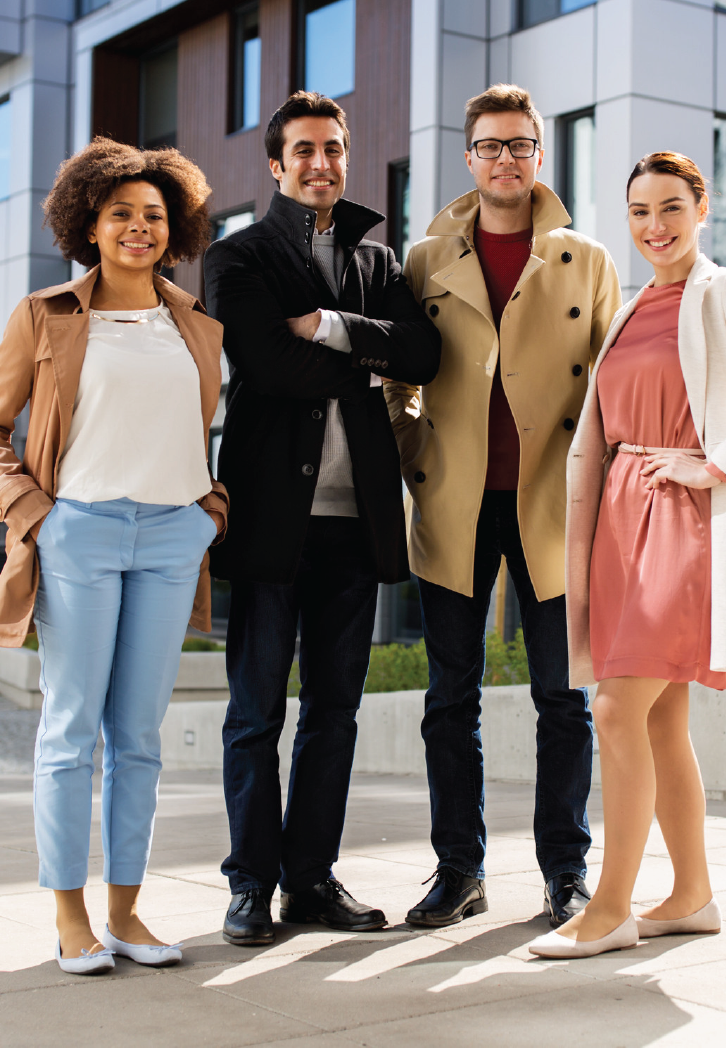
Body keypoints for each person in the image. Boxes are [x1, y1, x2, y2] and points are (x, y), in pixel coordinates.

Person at [204, 90, 441, 946]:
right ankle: (247, 886)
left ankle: (310, 882)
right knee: (255, 714)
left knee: (333, 715)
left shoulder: (383, 266)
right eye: (302, 150)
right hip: (272, 521)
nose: (321, 163)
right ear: (275, 165)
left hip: (355, 523)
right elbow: (269, 366)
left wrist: (333, 326)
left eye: (334, 149)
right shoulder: (238, 259)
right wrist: (368, 362)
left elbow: (426, 353)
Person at [529, 151, 726, 960]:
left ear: (700, 208)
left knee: (612, 708)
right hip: (620, 515)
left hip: (682, 514)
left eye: (670, 207)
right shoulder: (631, 306)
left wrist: (719, 463)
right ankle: (692, 894)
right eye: (638, 211)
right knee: (661, 716)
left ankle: (608, 908)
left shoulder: (725, 289)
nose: (654, 226)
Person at [385, 84, 621, 928]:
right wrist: (414, 452)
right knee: (451, 696)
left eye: (520, 145)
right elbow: (399, 376)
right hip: (452, 499)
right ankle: (459, 871)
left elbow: (609, 386)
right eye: (490, 146)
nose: (506, 160)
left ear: (539, 157)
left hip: (555, 501)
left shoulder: (585, 259)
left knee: (562, 696)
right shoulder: (422, 260)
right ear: (467, 157)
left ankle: (566, 871)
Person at [0, 138, 228, 975]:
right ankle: (69, 919)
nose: (139, 227)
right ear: (88, 224)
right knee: (69, 732)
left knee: (137, 737)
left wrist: (211, 509)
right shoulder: (47, 313)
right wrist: (37, 513)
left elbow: (199, 432)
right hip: (81, 533)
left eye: (155, 216)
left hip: (172, 536)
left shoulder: (196, 324)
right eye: (121, 214)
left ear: (177, 228)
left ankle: (128, 913)